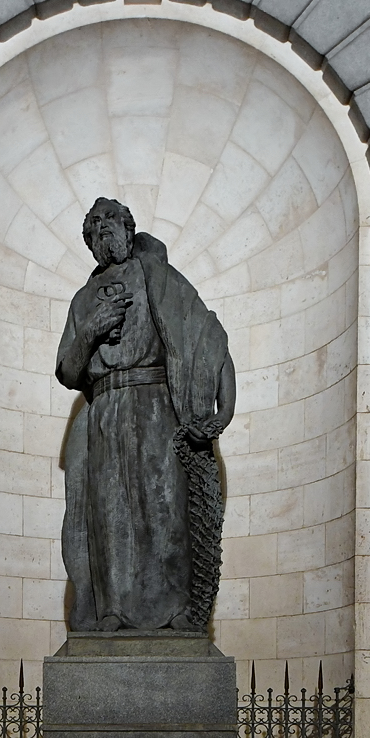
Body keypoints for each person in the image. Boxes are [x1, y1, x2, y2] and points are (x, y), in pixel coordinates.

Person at [56, 197, 236, 631]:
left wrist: (224, 410)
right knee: (108, 513)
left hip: (159, 406)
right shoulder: (83, 300)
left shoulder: (159, 278)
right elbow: (66, 370)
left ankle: (176, 609)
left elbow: (207, 341)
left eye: (110, 224)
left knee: (166, 509)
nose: (103, 233)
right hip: (106, 412)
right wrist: (94, 328)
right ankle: (112, 608)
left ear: (128, 228)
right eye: (94, 229)